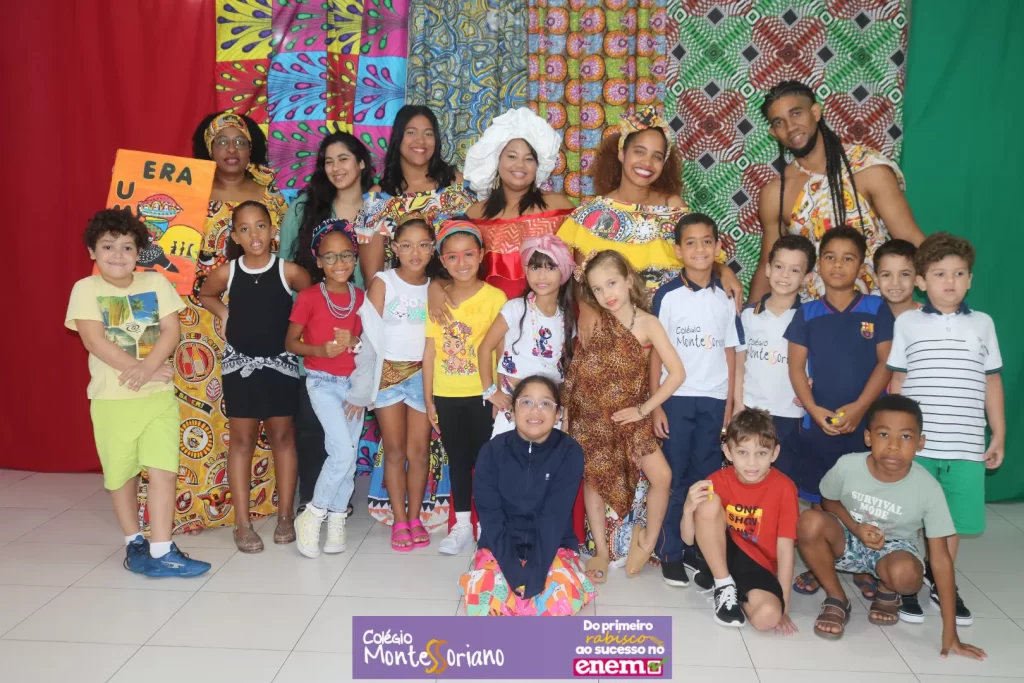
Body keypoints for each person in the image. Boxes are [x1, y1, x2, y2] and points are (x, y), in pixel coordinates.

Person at [66, 209, 211, 577]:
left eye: (127, 247)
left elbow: (171, 331)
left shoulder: (156, 283)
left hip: (158, 396)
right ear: (92, 252)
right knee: (121, 475)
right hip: (111, 401)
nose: (118, 254)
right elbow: (94, 340)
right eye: (108, 246)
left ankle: (162, 550)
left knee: (164, 470)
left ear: (138, 253)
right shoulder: (86, 289)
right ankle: (135, 543)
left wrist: (148, 371)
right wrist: (140, 369)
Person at [795, 395, 986, 661]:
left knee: (907, 576)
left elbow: (940, 558)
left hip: (895, 547)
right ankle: (837, 597)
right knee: (809, 521)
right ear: (868, 437)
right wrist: (856, 527)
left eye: (906, 437)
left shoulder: (928, 488)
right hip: (848, 536)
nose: (894, 446)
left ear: (920, 442)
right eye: (884, 434)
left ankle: (887, 589)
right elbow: (829, 500)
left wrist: (950, 631)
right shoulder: (848, 466)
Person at [173, 112, 290, 534]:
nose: (231, 149)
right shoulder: (187, 192)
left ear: (251, 147)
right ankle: (198, 503)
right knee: (201, 411)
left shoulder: (271, 197)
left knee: (258, 415)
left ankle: (262, 503)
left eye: (239, 141)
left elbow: (285, 258)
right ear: (208, 148)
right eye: (221, 141)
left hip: (261, 317)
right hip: (199, 320)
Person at [888, 233, 1005, 625]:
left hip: (967, 445)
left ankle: (941, 580)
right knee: (908, 518)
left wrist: (998, 433)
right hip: (917, 447)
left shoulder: (983, 324)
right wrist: (893, 437)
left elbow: (991, 381)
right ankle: (905, 584)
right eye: (939, 274)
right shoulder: (907, 322)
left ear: (970, 279)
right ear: (922, 281)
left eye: (958, 273)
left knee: (952, 522)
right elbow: (898, 382)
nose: (950, 281)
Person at [557, 106, 744, 344]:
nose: (647, 162)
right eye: (639, 152)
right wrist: (586, 307)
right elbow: (579, 276)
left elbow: (696, 251)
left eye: (657, 156)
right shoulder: (593, 214)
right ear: (622, 153)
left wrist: (724, 270)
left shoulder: (673, 207)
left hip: (673, 331)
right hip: (615, 337)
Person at [785, 227, 894, 595]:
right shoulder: (807, 313)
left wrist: (860, 408)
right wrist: (814, 410)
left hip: (865, 423)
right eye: (830, 257)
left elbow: (885, 363)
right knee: (820, 496)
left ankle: (864, 564)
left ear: (861, 267)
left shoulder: (877, 309)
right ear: (819, 265)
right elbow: (796, 368)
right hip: (820, 424)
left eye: (848, 258)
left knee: (863, 495)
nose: (838, 265)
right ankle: (822, 566)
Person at [198, 201, 312, 552]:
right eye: (244, 229)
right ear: (235, 236)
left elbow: (311, 300)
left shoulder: (290, 272)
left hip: (281, 366)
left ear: (273, 230)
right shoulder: (227, 273)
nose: (254, 235)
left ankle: (285, 516)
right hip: (240, 368)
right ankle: (243, 524)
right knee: (242, 441)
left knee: (283, 438)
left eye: (260, 226)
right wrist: (224, 313)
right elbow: (206, 293)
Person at [750, 80, 924, 303]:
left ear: (815, 112)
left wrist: (945, 294)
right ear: (773, 132)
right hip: (814, 313)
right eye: (779, 122)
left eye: (796, 113)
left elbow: (910, 239)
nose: (790, 127)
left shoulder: (868, 169)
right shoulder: (775, 193)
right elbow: (768, 265)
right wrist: (750, 318)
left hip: (877, 308)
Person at [566, 250, 682, 582]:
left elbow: (677, 374)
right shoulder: (594, 319)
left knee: (662, 476)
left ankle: (646, 541)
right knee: (594, 480)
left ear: (629, 280)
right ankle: (601, 552)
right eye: (598, 289)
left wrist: (644, 409)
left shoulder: (648, 324)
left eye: (612, 283)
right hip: (591, 416)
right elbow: (579, 370)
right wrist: (569, 416)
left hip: (631, 414)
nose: (607, 294)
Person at [278, 132, 378, 514]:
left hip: (363, 327)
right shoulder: (306, 208)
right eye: (329, 160)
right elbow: (285, 265)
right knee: (310, 421)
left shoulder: (377, 209)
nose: (336, 167)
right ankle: (310, 500)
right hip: (312, 326)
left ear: (362, 163)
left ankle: (337, 502)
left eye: (344, 159)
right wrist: (307, 311)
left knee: (350, 419)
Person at [652, 214, 744, 588]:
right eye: (690, 242)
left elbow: (731, 352)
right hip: (676, 398)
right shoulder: (667, 295)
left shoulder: (726, 297)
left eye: (707, 241)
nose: (700, 249)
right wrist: (656, 404)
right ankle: (671, 553)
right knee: (675, 477)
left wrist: (731, 405)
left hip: (713, 400)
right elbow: (655, 353)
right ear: (678, 250)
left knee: (706, 481)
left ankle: (700, 552)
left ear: (718, 247)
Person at [459, 376, 597, 616]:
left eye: (545, 403)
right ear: (512, 411)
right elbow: (491, 517)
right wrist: (513, 570)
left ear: (558, 413)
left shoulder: (569, 452)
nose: (535, 411)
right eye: (526, 402)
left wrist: (536, 571)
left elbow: (553, 517)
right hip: (500, 546)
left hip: (554, 546)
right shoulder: (491, 452)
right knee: (488, 603)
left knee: (558, 601)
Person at [424, 220, 507, 555]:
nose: (462, 263)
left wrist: (499, 393)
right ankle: (461, 525)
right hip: (446, 394)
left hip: (483, 394)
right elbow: (430, 351)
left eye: (469, 254)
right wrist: (428, 399)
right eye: (453, 256)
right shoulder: (437, 300)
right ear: (442, 261)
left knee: (487, 461)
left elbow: (501, 349)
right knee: (457, 459)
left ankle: (487, 524)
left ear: (482, 255)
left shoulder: (495, 297)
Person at [287, 220, 368, 558]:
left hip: (354, 387)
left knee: (348, 455)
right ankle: (313, 513)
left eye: (346, 255)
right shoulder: (308, 297)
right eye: (330, 257)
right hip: (321, 383)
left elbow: (368, 347)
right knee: (342, 453)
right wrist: (319, 350)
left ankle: (337, 519)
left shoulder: (361, 298)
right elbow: (291, 343)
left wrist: (355, 341)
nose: (339, 263)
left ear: (355, 258)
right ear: (318, 261)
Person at [682, 409, 798, 632]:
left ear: (775, 453)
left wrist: (784, 606)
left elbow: (785, 548)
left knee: (767, 618)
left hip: (758, 564)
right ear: (728, 451)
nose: (752, 463)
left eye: (761, 453)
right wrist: (688, 509)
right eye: (743, 452)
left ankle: (730, 589)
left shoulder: (785, 488)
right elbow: (688, 540)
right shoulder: (716, 480)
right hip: (721, 552)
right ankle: (723, 583)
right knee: (708, 502)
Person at [362, 215, 436, 550]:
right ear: (394, 248)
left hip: (422, 375)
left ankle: (416, 516)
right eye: (406, 245)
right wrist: (364, 384)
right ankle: (399, 518)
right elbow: (369, 335)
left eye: (423, 245)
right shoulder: (383, 281)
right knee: (393, 450)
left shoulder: (436, 287)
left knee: (418, 451)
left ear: (433, 249)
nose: (415, 253)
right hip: (388, 375)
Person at [461, 108, 577, 299]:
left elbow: (580, 267)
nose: (520, 165)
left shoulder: (559, 207)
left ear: (538, 166)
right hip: (489, 314)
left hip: (548, 314)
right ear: (497, 160)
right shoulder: (475, 215)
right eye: (512, 156)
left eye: (529, 159)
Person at [357, 105, 474, 282]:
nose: (421, 140)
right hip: (400, 296)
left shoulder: (456, 184)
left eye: (428, 133)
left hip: (455, 292)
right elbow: (372, 275)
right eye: (411, 132)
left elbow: (476, 246)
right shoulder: (377, 198)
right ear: (398, 137)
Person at [734, 234, 816, 484]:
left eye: (795, 270)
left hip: (790, 413)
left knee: (784, 481)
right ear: (767, 269)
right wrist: (737, 404)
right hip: (751, 410)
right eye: (779, 266)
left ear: (807, 278)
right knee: (748, 477)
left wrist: (811, 386)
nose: (785, 275)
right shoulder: (748, 315)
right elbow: (739, 364)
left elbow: (818, 364)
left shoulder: (811, 318)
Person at [477, 235, 575, 437]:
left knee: (546, 456)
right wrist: (491, 392)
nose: (541, 276)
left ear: (563, 272)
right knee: (508, 455)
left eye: (551, 268)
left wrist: (565, 413)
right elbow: (485, 348)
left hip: (549, 409)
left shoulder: (567, 318)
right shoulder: (515, 308)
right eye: (535, 267)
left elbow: (567, 369)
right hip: (513, 405)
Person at [873, 239, 920, 319]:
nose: (895, 282)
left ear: (917, 279)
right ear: (876, 279)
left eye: (904, 274)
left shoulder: (930, 319)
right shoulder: (866, 317)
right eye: (886, 275)